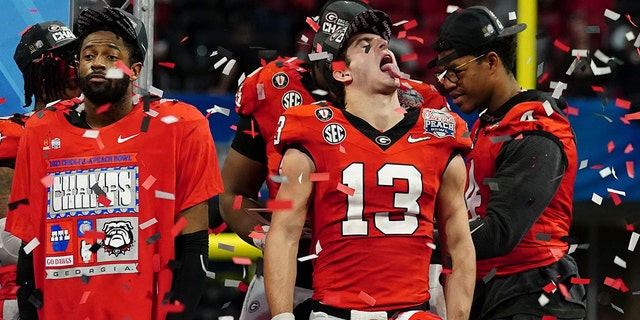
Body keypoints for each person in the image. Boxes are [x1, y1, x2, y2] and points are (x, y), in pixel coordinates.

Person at [219, 1, 453, 319]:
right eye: (333, 61)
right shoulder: (271, 90)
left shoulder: (417, 100)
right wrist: (268, 239)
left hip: (395, 290)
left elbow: (448, 212)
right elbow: (233, 194)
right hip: (296, 277)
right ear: (317, 54)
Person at [6, 6, 222, 320]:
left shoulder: (180, 125)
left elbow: (193, 246)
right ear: (77, 66)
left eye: (111, 55)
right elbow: (30, 249)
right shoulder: (40, 131)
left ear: (134, 69)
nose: (97, 63)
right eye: (89, 54)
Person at [430, 6, 586, 319]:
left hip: (536, 293)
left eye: (456, 71)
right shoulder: (486, 125)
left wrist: (408, 238)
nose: (446, 83)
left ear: (491, 62)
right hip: (493, 289)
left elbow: (500, 231)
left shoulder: (537, 129)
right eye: (443, 74)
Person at [0, 20, 83, 320]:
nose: (75, 69)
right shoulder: (10, 134)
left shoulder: (109, 133)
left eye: (77, 57)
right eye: (63, 61)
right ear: (37, 72)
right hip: (19, 300)